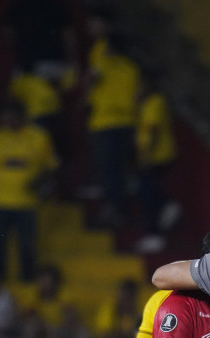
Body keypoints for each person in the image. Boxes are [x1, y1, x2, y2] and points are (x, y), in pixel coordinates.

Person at [0, 99, 58, 282]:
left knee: (27, 246)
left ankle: (28, 282)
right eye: (5, 117)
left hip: (27, 203)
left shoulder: (39, 137)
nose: (8, 120)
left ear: (22, 116)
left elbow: (52, 166)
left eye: (11, 116)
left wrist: (39, 180)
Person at [85, 32, 139, 228]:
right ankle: (119, 209)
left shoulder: (103, 65)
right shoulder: (132, 68)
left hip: (104, 122)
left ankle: (113, 209)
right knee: (119, 168)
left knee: (107, 168)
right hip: (126, 122)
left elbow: (89, 86)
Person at [134, 72, 180, 254]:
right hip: (151, 157)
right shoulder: (147, 103)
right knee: (148, 191)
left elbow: (152, 130)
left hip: (156, 157)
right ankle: (168, 205)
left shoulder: (155, 102)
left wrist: (147, 157)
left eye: (141, 85)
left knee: (148, 194)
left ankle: (155, 235)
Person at [21, 263, 92, 338]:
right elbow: (27, 316)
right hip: (44, 331)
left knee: (78, 326)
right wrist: (47, 328)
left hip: (63, 330)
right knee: (31, 324)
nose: (44, 284)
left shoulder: (64, 295)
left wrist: (58, 330)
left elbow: (70, 317)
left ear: (56, 283)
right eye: (42, 281)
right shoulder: (32, 295)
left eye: (48, 281)